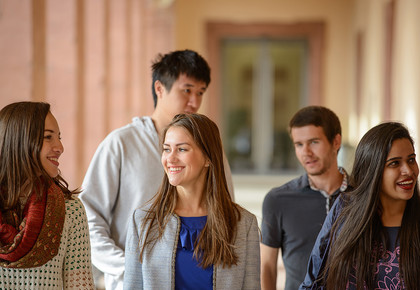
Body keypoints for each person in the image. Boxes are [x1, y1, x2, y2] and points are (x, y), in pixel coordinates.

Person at [80, 49, 234, 289]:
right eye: (187, 90)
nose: (194, 102)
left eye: (200, 92)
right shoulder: (120, 144)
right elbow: (87, 217)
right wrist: (127, 266)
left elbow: (225, 207)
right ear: (160, 89)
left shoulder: (210, 150)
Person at [124, 113, 260, 289]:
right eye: (167, 149)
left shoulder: (244, 224)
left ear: (208, 158)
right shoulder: (142, 221)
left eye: (182, 149)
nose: (170, 159)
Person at [300, 122, 420, 289]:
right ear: (373, 169)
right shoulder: (345, 209)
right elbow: (312, 282)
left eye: (411, 160)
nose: (408, 170)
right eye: (394, 163)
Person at [0, 101, 94, 289]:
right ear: (19, 140)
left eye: (59, 137)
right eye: (48, 137)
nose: (60, 147)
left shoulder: (71, 211)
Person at [260, 106, 349, 290]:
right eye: (299, 144)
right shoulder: (278, 200)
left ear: (336, 141)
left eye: (314, 142)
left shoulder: (362, 195)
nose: (306, 152)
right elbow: (267, 266)